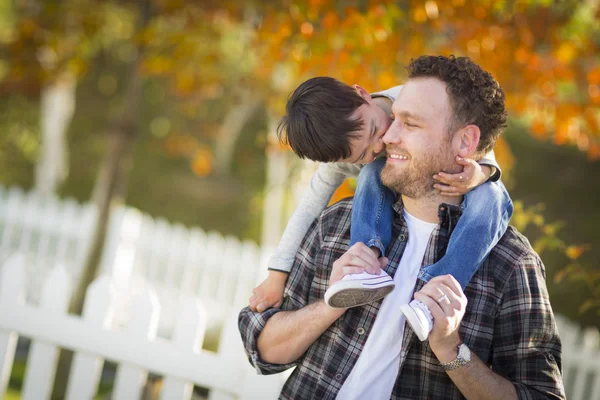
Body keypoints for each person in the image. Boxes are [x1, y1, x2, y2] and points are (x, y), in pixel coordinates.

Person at [239, 55, 564, 399]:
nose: (385, 140)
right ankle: (368, 262)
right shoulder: (335, 226)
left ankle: (441, 281)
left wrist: (453, 352)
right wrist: (322, 300)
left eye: (407, 124)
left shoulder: (512, 264)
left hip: (479, 187)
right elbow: (262, 351)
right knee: (369, 175)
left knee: (493, 197)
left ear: (466, 143)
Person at [249, 77, 512, 340]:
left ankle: (438, 290)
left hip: (463, 176)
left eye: (376, 129)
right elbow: (307, 209)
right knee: (373, 171)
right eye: (360, 155)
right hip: (398, 191)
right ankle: (364, 263)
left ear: (362, 94)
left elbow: (477, 140)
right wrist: (277, 274)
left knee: (492, 198)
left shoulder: (409, 99)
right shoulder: (348, 159)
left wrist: (481, 173)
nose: (378, 146)